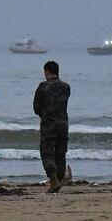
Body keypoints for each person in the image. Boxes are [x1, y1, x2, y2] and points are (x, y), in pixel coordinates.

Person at [33, 60, 72, 193]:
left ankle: (54, 179)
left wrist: (45, 112)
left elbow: (36, 108)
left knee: (47, 153)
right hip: (63, 124)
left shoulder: (43, 87)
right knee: (61, 153)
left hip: (49, 124)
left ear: (47, 71)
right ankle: (59, 178)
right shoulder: (66, 87)